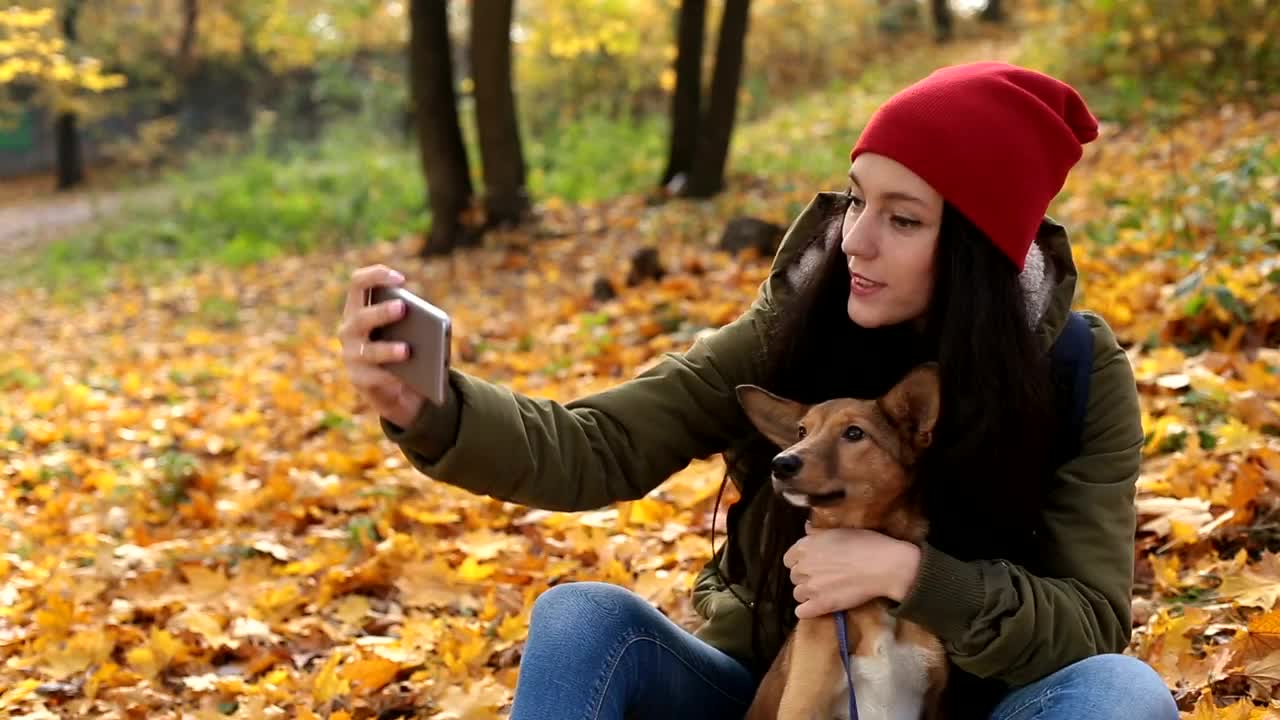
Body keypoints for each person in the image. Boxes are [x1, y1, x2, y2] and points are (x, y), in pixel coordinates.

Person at [338, 62, 1178, 719]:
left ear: (976, 252)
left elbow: (1091, 625)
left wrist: (909, 572)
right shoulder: (796, 327)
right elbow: (602, 445)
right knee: (582, 618)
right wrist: (435, 408)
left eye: (903, 217)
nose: (857, 239)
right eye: (857, 200)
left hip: (977, 706)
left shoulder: (1073, 372)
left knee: (1122, 694)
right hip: (765, 696)